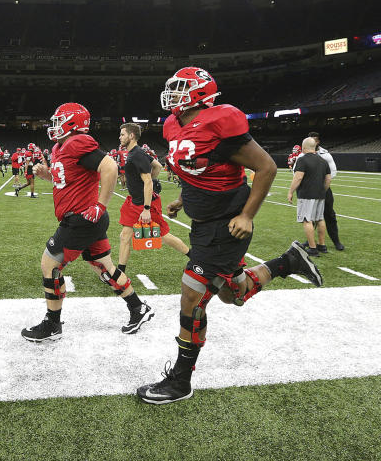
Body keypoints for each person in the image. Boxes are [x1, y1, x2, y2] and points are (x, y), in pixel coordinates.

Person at [136, 67, 323, 404]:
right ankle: (288, 261)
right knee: (231, 295)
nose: (174, 94)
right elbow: (196, 169)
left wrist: (247, 215)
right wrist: (182, 199)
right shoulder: (172, 125)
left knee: (191, 298)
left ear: (201, 93)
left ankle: (180, 380)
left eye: (181, 88)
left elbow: (266, 167)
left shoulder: (220, 121)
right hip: (204, 222)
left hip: (227, 224)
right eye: (173, 88)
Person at [21, 103, 153, 342]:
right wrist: (46, 175)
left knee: (49, 265)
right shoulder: (61, 146)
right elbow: (68, 177)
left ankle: (52, 324)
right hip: (87, 219)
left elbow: (109, 167)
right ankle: (138, 307)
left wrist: (100, 205)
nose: (54, 126)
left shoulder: (77, 141)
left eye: (59, 121)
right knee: (104, 267)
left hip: (82, 218)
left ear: (72, 123)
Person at [116, 123, 190, 274]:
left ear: (131, 136)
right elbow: (157, 166)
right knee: (124, 236)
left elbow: (148, 181)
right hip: (135, 202)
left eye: (123, 134)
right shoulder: (136, 152)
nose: (120, 137)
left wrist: (146, 208)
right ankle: (120, 272)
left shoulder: (137, 154)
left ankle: (193, 257)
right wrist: (150, 183)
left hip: (145, 205)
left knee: (164, 236)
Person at [287, 137, 331, 255]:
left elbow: (298, 177)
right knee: (320, 219)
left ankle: (312, 248)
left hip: (306, 194)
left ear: (304, 147)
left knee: (307, 220)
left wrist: (290, 191)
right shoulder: (323, 161)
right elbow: (328, 179)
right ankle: (322, 245)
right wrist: (323, 190)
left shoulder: (302, 160)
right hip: (320, 194)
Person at [309, 132, 346, 251]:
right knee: (311, 216)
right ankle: (311, 241)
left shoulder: (325, 155)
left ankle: (336, 241)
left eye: (314, 140)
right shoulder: (303, 155)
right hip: (309, 189)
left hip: (324, 188)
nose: (312, 142)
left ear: (318, 141)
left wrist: (322, 184)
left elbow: (333, 172)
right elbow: (297, 171)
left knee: (329, 214)